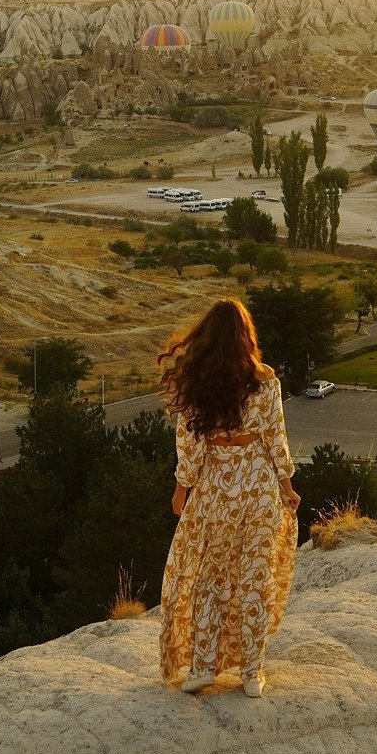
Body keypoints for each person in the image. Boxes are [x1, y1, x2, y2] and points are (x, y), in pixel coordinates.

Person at [157, 298, 299, 697]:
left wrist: (182, 487)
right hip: (259, 488)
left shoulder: (197, 383)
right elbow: (276, 439)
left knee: (209, 579)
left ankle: (203, 666)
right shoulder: (266, 380)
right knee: (256, 578)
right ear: (245, 337)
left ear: (206, 339)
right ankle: (252, 674)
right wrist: (287, 487)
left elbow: (190, 444)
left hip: (217, 490)